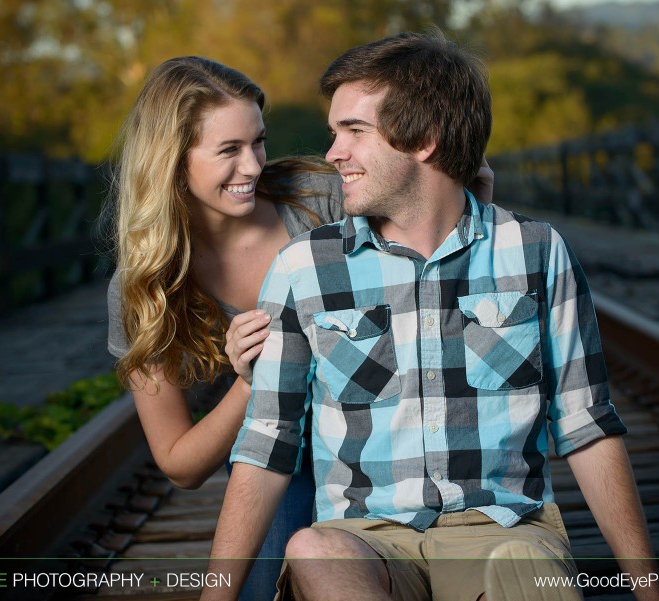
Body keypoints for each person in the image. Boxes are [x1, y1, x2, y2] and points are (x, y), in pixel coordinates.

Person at [203, 30, 659, 601]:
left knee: (521, 563)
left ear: (424, 139)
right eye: (334, 133)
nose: (333, 154)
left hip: (502, 531)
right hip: (365, 537)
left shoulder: (535, 252)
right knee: (313, 550)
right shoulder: (304, 268)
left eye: (354, 132)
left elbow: (587, 426)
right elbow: (266, 440)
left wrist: (652, 593)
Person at [106, 56, 494, 600]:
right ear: (172, 161)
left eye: (257, 142)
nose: (252, 166)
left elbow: (451, 205)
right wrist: (252, 381)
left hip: (386, 433)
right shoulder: (145, 287)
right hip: (280, 459)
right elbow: (179, 464)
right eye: (228, 151)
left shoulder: (318, 199)